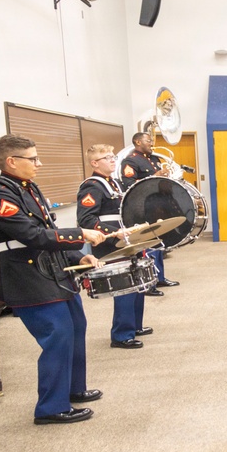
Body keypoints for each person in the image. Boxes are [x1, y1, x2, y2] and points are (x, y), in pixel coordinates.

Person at [0, 134, 106, 424]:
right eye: (32, 158)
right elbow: (30, 236)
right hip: (28, 276)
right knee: (57, 335)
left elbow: (46, 231)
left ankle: (74, 389)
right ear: (11, 161)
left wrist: (76, 257)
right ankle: (50, 407)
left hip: (54, 270)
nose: (39, 163)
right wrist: (80, 235)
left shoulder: (27, 188)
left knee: (76, 326)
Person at [76, 145, 152, 349]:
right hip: (110, 244)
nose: (112, 160)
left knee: (138, 282)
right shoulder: (92, 186)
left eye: (112, 156)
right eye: (106, 157)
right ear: (94, 163)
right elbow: (86, 219)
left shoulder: (115, 184)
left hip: (127, 240)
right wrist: (114, 232)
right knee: (125, 287)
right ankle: (121, 334)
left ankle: (135, 325)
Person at [119, 132, 178, 294]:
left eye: (151, 140)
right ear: (137, 142)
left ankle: (160, 278)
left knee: (159, 242)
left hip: (157, 207)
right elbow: (129, 185)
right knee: (147, 245)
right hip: (142, 209)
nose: (151, 142)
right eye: (148, 140)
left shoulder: (154, 159)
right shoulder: (130, 161)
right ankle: (149, 282)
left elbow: (157, 183)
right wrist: (154, 176)